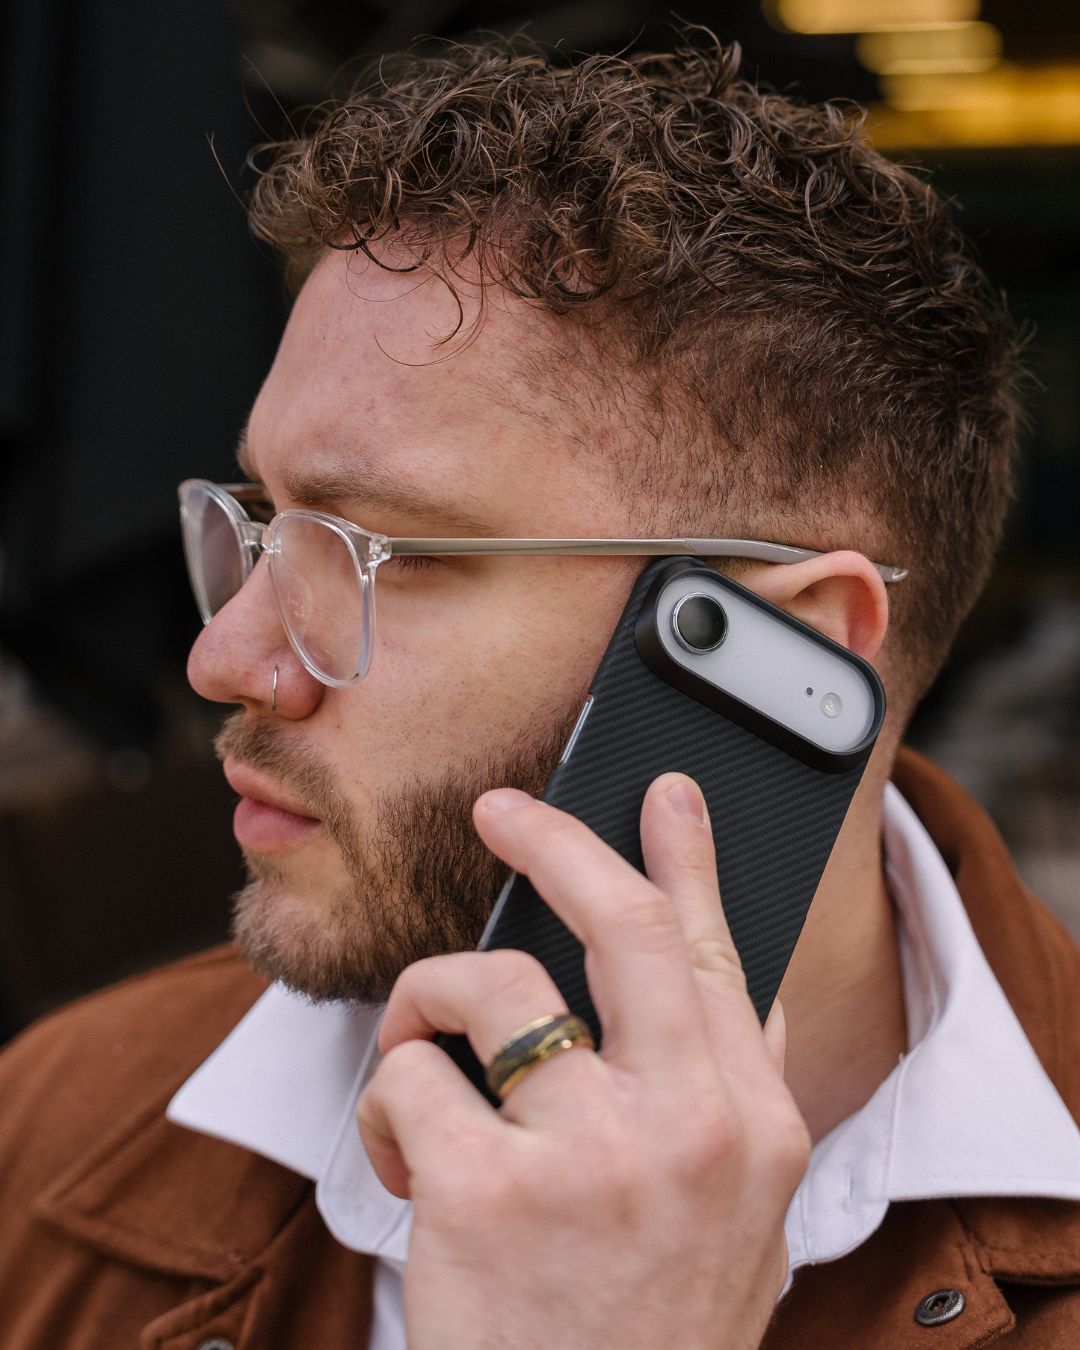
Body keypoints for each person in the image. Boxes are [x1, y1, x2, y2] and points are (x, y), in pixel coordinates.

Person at [2, 32, 1079, 1350]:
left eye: (375, 552)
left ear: (790, 643)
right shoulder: (57, 1131)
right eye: (261, 520)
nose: (226, 659)